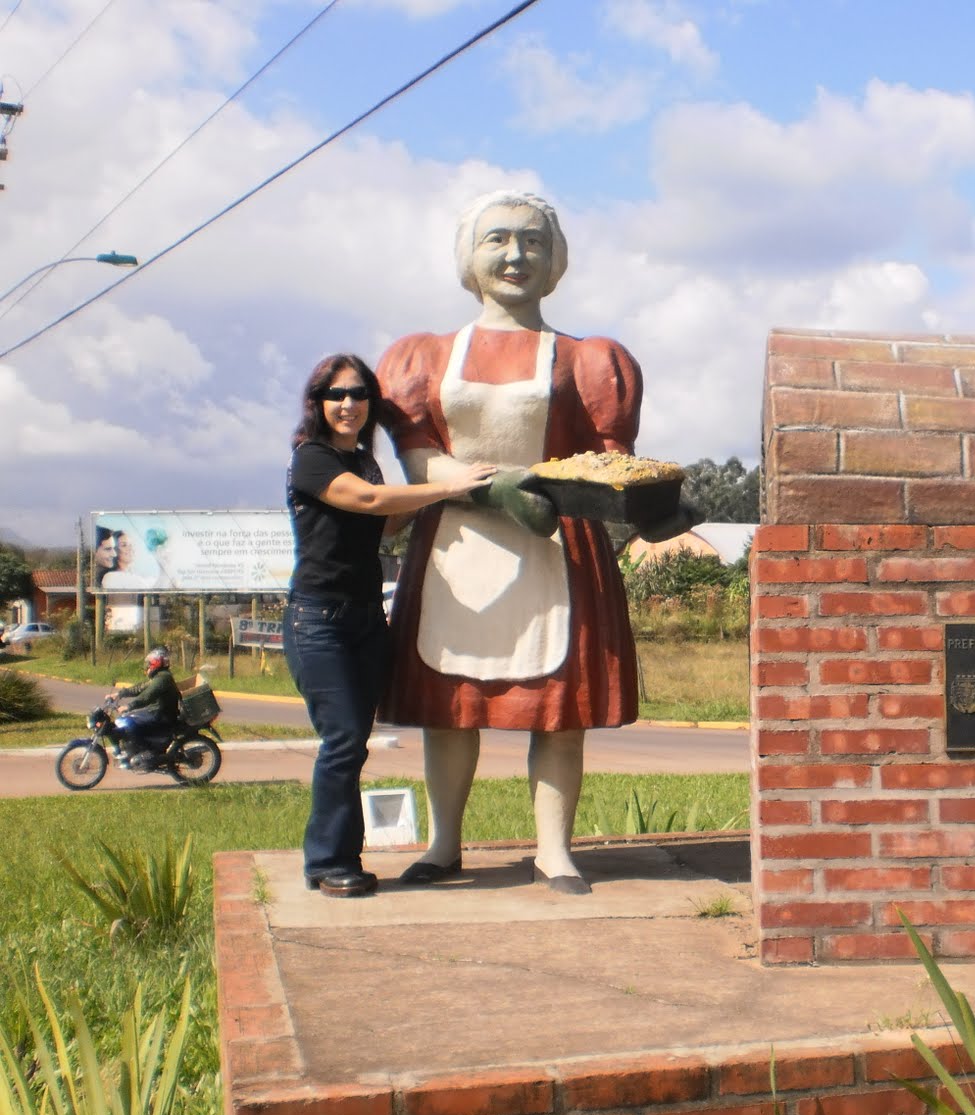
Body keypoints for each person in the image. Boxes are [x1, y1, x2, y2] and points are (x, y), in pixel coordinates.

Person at [376, 189, 693, 895]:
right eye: (497, 240)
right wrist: (486, 489)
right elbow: (418, 456)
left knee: (555, 711)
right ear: (469, 257)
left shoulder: (588, 360)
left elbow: (606, 464)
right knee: (450, 706)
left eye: (532, 242)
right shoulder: (424, 356)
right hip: (456, 545)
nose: (516, 255)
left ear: (556, 261)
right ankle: (444, 843)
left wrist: (650, 505)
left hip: (556, 550)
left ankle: (556, 850)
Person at [285, 353, 496, 898]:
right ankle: (328, 862)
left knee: (353, 742)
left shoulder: (363, 460)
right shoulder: (311, 460)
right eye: (337, 395)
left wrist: (443, 492)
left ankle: (340, 858)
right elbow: (371, 501)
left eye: (359, 395)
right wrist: (444, 489)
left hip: (364, 620)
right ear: (318, 404)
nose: (348, 404)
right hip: (319, 622)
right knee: (343, 741)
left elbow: (385, 519)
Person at [110, 646, 181, 767]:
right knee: (127, 719)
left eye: (149, 663)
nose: (147, 666)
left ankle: (147, 753)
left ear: (155, 663)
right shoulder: (160, 676)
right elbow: (141, 688)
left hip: (162, 715)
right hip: (157, 711)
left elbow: (147, 696)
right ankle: (133, 751)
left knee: (129, 722)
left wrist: (129, 706)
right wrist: (120, 694)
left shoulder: (163, 678)